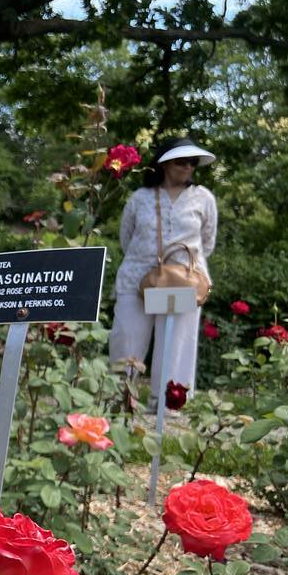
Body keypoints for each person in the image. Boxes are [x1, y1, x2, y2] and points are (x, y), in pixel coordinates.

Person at [110, 137, 217, 401]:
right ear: (165, 163)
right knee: (126, 337)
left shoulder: (203, 198)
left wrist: (182, 267)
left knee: (177, 343)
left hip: (185, 281)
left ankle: (169, 403)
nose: (188, 167)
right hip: (137, 278)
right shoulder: (139, 198)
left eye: (193, 162)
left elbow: (207, 242)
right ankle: (118, 398)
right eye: (182, 161)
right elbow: (127, 238)